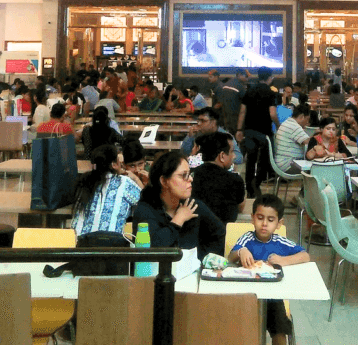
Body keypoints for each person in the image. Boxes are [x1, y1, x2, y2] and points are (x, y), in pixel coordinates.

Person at [229, 194, 310, 345]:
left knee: (279, 331)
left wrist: (283, 260)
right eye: (260, 218)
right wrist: (241, 251)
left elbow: (305, 256)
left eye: (270, 220)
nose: (264, 224)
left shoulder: (280, 242)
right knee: (242, 330)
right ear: (252, 218)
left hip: (273, 296)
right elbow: (230, 257)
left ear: (279, 223)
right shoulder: (247, 238)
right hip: (248, 295)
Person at [131, 151, 224, 259]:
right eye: (184, 175)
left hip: (190, 274)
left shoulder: (193, 206)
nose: (190, 179)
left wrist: (201, 259)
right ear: (164, 181)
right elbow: (152, 250)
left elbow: (219, 232)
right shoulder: (145, 210)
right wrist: (178, 220)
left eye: (189, 174)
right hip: (154, 274)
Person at [72, 143, 143, 237]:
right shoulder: (124, 182)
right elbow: (148, 204)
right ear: (114, 164)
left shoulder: (84, 181)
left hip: (79, 244)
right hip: (110, 245)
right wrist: (137, 179)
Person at [236, 68, 279, 197]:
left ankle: (249, 187)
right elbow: (272, 114)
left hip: (249, 130)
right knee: (264, 160)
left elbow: (242, 112)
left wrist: (239, 129)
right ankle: (257, 183)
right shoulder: (271, 93)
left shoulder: (249, 91)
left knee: (251, 158)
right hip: (264, 132)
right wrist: (278, 125)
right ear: (270, 78)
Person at [190, 132, 245, 224]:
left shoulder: (191, 177)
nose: (234, 156)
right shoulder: (235, 180)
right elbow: (241, 207)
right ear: (222, 156)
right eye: (232, 152)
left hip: (194, 233)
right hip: (225, 234)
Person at [273, 104, 311, 171]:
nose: (307, 122)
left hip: (282, 162)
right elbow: (308, 142)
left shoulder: (287, 122)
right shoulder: (294, 126)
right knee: (315, 169)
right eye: (307, 119)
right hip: (288, 164)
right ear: (302, 117)